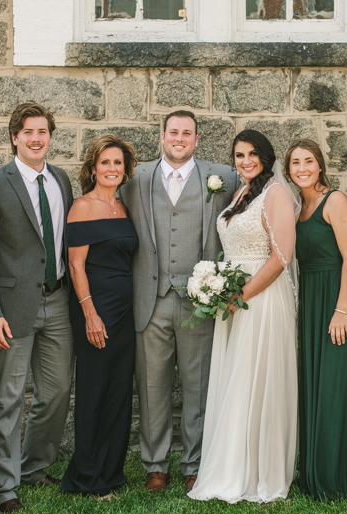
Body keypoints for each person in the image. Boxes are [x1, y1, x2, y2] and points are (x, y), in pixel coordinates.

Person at [119, 110, 238, 492]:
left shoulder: (223, 178)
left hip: (199, 301)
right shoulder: (135, 179)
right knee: (151, 388)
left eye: (187, 133)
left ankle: (194, 461)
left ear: (197, 139)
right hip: (149, 299)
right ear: (163, 135)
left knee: (198, 385)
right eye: (174, 132)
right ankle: (155, 464)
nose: (180, 138)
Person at [0, 102, 75, 514]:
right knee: (8, 398)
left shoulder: (61, 180)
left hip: (58, 301)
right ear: (14, 136)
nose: (36, 138)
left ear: (50, 136)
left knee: (56, 392)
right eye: (28, 132)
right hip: (11, 309)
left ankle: (33, 467)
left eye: (43, 131)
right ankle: (3, 487)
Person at [188, 130, 299, 504]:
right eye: (239, 155)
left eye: (253, 154)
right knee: (235, 376)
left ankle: (258, 473)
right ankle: (230, 464)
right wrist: (219, 288)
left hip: (260, 299)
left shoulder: (277, 194)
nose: (245, 161)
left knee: (255, 377)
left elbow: (281, 257)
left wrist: (242, 295)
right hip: (233, 299)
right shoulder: (239, 193)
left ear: (266, 157)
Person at [286, 138, 347, 500]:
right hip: (311, 302)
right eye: (295, 163)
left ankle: (340, 476)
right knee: (315, 385)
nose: (302, 168)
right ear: (288, 170)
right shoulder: (295, 207)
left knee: (337, 386)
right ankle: (314, 471)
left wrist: (341, 311)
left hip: (339, 303)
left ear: (320, 165)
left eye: (309, 161)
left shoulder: (333, 200)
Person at [60, 135, 139, 497]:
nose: (112, 169)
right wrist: (90, 314)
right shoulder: (83, 206)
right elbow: (76, 266)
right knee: (94, 388)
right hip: (95, 307)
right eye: (105, 163)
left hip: (125, 309)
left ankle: (111, 471)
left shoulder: (123, 207)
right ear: (93, 168)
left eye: (118, 163)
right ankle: (87, 476)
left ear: (126, 169)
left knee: (119, 389)